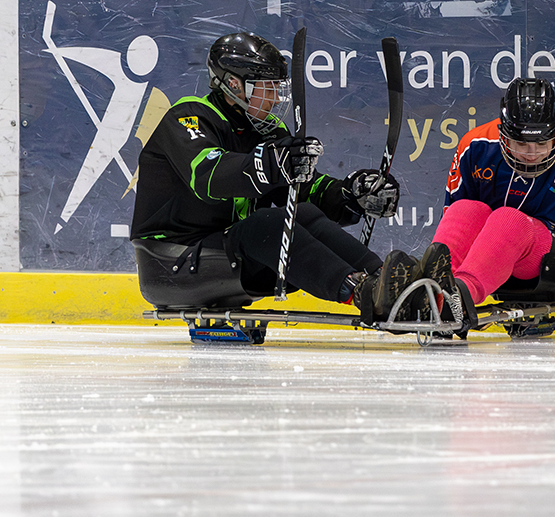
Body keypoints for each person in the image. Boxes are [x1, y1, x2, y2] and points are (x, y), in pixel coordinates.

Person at [131, 31, 415, 320]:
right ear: (234, 84)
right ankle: (363, 292)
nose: (275, 98)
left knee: (302, 213)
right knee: (267, 223)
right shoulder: (189, 118)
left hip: (227, 253)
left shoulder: (267, 130)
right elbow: (209, 175)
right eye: (266, 88)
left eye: (277, 88)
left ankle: (389, 282)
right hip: (171, 260)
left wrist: (350, 194)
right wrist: (272, 164)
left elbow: (303, 190)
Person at [419, 78, 555, 338]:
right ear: (503, 135)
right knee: (464, 209)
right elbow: (458, 223)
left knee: (508, 219)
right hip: (493, 255)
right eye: (521, 144)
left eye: (541, 144)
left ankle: (458, 299)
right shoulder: (475, 145)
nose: (532, 154)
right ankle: (433, 292)